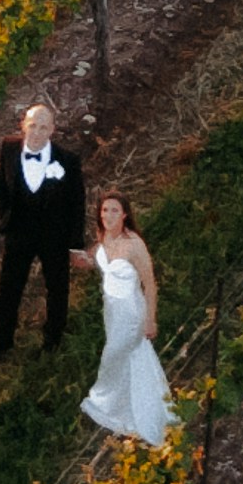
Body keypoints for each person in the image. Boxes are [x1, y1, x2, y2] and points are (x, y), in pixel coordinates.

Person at [0, 104, 89, 358]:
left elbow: (77, 204)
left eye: (44, 127)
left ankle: (52, 341)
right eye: (33, 125)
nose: (37, 132)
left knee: (56, 288)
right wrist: (7, 220)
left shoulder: (68, 161)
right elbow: (2, 188)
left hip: (54, 235)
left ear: (52, 130)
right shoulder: (8, 148)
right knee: (9, 287)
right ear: (23, 125)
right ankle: (1, 340)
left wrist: (75, 245)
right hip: (19, 232)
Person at [78, 190, 172, 447]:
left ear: (125, 214)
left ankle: (106, 402)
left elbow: (150, 285)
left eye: (114, 210)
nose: (108, 215)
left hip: (131, 313)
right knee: (132, 359)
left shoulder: (134, 245)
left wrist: (150, 319)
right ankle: (133, 402)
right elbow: (96, 257)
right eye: (105, 210)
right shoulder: (104, 236)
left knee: (113, 355)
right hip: (111, 311)